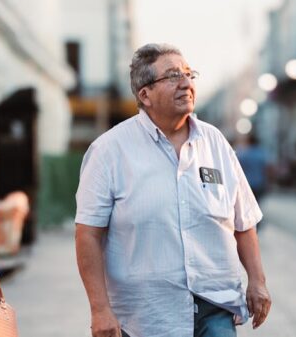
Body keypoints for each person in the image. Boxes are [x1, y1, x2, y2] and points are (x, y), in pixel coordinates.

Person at [75, 43, 271, 337]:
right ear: (145, 95)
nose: (186, 83)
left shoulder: (215, 142)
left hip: (215, 306)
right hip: (147, 316)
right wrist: (99, 309)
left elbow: (243, 220)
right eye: (173, 76)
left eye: (189, 74)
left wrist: (257, 281)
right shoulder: (109, 151)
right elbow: (88, 234)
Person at [235, 134, 271, 208]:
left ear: (249, 142)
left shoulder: (245, 154)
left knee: (248, 202)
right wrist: (267, 182)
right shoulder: (261, 154)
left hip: (247, 182)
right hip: (259, 182)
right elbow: (266, 169)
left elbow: (238, 168)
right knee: (257, 202)